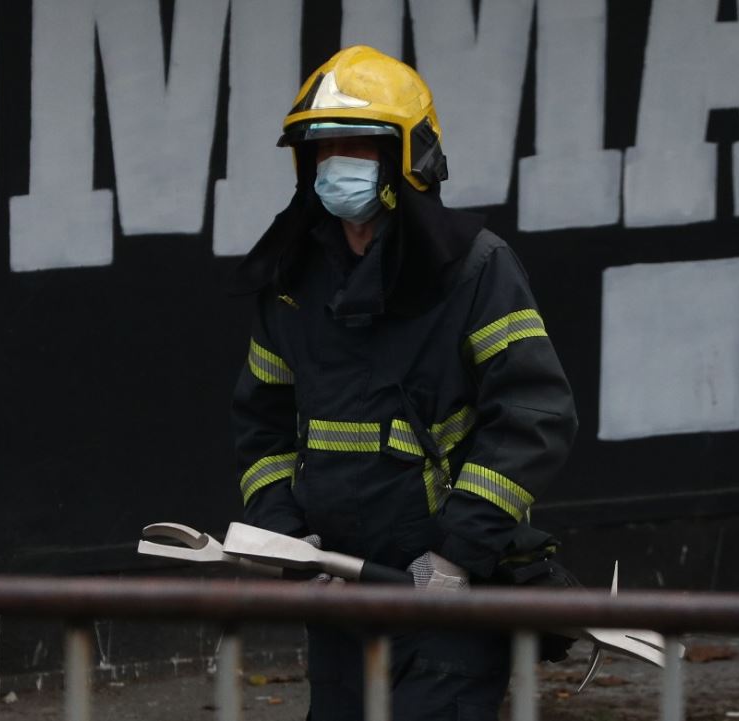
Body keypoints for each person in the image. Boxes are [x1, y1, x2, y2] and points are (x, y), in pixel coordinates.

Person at [229, 45, 577, 721]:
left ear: (407, 157)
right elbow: (260, 424)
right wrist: (290, 541)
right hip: (340, 592)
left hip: (445, 594)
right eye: (321, 150)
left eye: (358, 145)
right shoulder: (292, 281)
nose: (337, 166)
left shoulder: (477, 270)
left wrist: (455, 553)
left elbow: (537, 415)